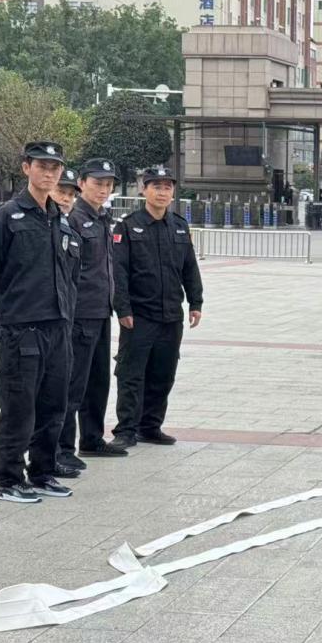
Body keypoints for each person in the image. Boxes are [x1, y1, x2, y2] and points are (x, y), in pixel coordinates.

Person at [0, 140, 82, 503]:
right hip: (21, 328)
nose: (49, 173)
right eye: (41, 166)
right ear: (26, 168)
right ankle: (9, 477)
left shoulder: (60, 217)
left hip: (58, 325)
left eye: (55, 167)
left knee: (54, 404)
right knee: (19, 406)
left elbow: (71, 274)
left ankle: (43, 470)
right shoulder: (7, 216)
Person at [108, 166, 202, 451]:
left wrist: (196, 302)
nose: (162, 192)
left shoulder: (179, 226)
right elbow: (118, 271)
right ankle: (126, 430)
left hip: (171, 315)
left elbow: (190, 267)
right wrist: (122, 308)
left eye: (167, 187)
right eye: (156, 186)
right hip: (139, 315)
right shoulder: (128, 226)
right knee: (131, 374)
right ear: (144, 190)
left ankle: (150, 426)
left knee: (163, 374)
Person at [58, 158, 124, 468]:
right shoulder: (73, 218)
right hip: (80, 312)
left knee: (98, 381)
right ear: (82, 184)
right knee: (73, 383)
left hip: (101, 311)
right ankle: (62, 449)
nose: (103, 189)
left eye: (108, 184)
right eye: (98, 183)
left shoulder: (102, 219)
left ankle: (92, 438)